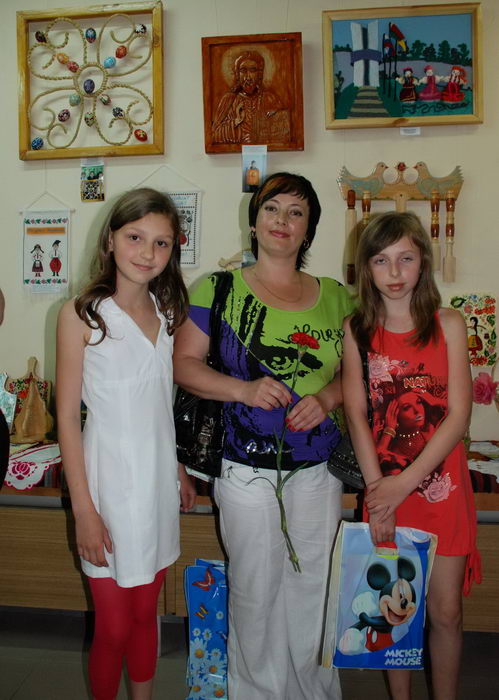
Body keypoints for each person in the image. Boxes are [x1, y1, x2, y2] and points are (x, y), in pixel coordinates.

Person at [173, 172, 353, 700]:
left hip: (317, 470)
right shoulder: (217, 289)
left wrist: (328, 398)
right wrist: (244, 390)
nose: (282, 220)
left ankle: (314, 693)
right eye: (272, 208)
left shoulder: (337, 297)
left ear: (308, 230)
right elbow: (183, 365)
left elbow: (356, 372)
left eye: (297, 212)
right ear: (253, 222)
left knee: (313, 588)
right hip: (245, 467)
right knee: (255, 592)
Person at [56, 187, 196, 700]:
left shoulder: (167, 312)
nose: (147, 252)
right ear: (110, 240)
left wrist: (177, 467)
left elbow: (160, 402)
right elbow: (66, 419)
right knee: (113, 626)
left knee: (144, 616)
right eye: (135, 237)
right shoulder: (83, 315)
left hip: (156, 484)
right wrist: (84, 511)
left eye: (161, 243)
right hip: (107, 488)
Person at [342, 211, 481, 700]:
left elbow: (458, 417)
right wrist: (379, 494)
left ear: (423, 261)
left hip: (441, 492)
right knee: (394, 610)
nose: (394, 272)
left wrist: (404, 484)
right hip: (384, 493)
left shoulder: (449, 324)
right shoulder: (357, 329)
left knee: (446, 612)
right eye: (381, 261)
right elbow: (357, 414)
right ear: (366, 268)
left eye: (405, 258)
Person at [212, 50, 290, 145]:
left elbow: (284, 131)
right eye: (243, 71)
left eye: (252, 70)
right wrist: (236, 121)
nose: (247, 77)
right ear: (237, 74)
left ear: (259, 74)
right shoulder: (229, 100)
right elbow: (215, 135)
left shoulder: (270, 99)